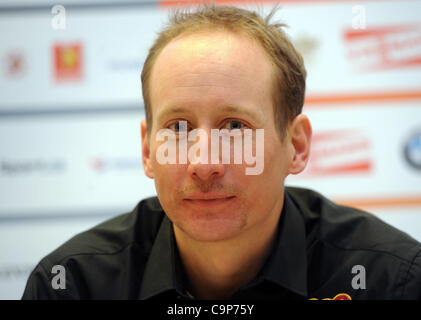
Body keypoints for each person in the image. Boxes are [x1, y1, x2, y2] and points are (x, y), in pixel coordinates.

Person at [22, 4, 421, 300]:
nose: (204, 164)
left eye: (235, 127)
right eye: (178, 128)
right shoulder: (71, 285)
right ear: (147, 149)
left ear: (296, 147)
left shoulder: (392, 281)